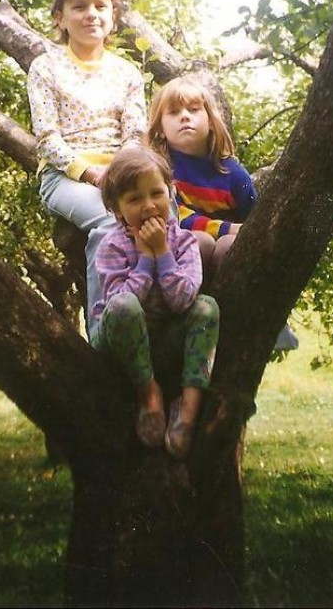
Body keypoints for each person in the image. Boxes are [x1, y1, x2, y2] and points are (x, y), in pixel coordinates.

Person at [27, 0, 146, 337]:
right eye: (79, 6)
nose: (91, 14)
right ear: (60, 17)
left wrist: (121, 173)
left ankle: (160, 310)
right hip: (66, 175)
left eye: (100, 6)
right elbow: (47, 137)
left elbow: (136, 132)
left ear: (113, 17)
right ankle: (103, 329)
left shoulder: (127, 73)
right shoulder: (45, 68)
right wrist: (92, 174)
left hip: (122, 171)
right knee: (111, 221)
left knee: (167, 215)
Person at [147, 74, 299, 352]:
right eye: (174, 112)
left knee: (229, 246)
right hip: (175, 252)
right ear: (159, 126)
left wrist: (237, 234)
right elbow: (177, 218)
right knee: (199, 240)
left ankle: (249, 318)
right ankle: (176, 312)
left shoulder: (232, 173)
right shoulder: (160, 168)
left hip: (225, 255)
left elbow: (256, 220)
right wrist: (226, 229)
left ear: (210, 119)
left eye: (193, 110)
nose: (185, 117)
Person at [91, 145, 220, 459]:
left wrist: (162, 252)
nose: (149, 206)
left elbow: (181, 301)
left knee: (207, 306)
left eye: (156, 193)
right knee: (124, 307)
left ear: (171, 193)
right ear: (117, 209)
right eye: (135, 199)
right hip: (120, 341)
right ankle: (149, 394)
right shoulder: (111, 246)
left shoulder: (184, 242)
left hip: (164, 337)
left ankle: (188, 408)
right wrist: (145, 260)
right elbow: (123, 303)